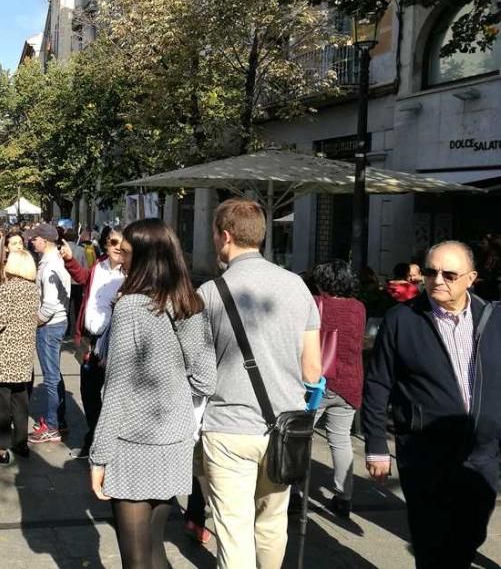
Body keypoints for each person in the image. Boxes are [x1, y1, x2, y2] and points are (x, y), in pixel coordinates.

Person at [199, 198, 321, 569]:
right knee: (271, 523)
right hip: (285, 430)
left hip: (228, 428)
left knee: (233, 531)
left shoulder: (209, 293)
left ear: (224, 236)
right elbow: (312, 370)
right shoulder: (296, 286)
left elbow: (200, 370)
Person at [364, 240, 501, 569]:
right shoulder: (402, 319)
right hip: (425, 452)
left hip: (482, 452)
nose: (437, 280)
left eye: (449, 274)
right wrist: (376, 445)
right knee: (430, 540)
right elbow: (378, 381)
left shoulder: (493, 319)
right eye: (430, 271)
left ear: (471, 278)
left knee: (470, 535)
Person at [89, 219, 216, 569]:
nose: (119, 258)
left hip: (132, 443)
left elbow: (116, 389)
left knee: (136, 559)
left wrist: (98, 456)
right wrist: (172, 392)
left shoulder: (131, 306)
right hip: (174, 439)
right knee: (155, 549)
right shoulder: (189, 302)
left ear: (145, 257)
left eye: (126, 252)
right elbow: (206, 379)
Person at [291, 260, 366, 518]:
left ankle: (293, 493)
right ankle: (344, 497)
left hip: (316, 384)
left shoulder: (313, 303)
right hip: (349, 383)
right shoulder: (358, 308)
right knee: (341, 440)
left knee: (300, 437)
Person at [60, 227, 127, 459]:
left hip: (114, 342)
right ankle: (94, 436)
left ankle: (108, 444)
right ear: (106, 244)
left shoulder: (130, 273)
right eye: (113, 242)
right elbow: (82, 278)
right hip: (89, 338)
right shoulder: (98, 265)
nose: (118, 247)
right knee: (88, 392)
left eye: (122, 243)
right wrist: (69, 260)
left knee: (112, 395)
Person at [0, 250, 40, 464]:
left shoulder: (9, 288)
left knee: (1, 402)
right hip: (24, 352)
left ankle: (1, 448)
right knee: (20, 400)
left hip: (6, 352)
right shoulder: (33, 289)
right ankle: (21, 442)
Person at [25, 223, 71, 445]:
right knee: (54, 375)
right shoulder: (52, 262)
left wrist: (35, 322)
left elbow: (50, 305)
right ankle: (57, 420)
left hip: (50, 326)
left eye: (34, 239)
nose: (32, 242)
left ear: (44, 240)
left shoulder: (51, 266)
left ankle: (52, 426)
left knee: (50, 377)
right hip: (55, 324)